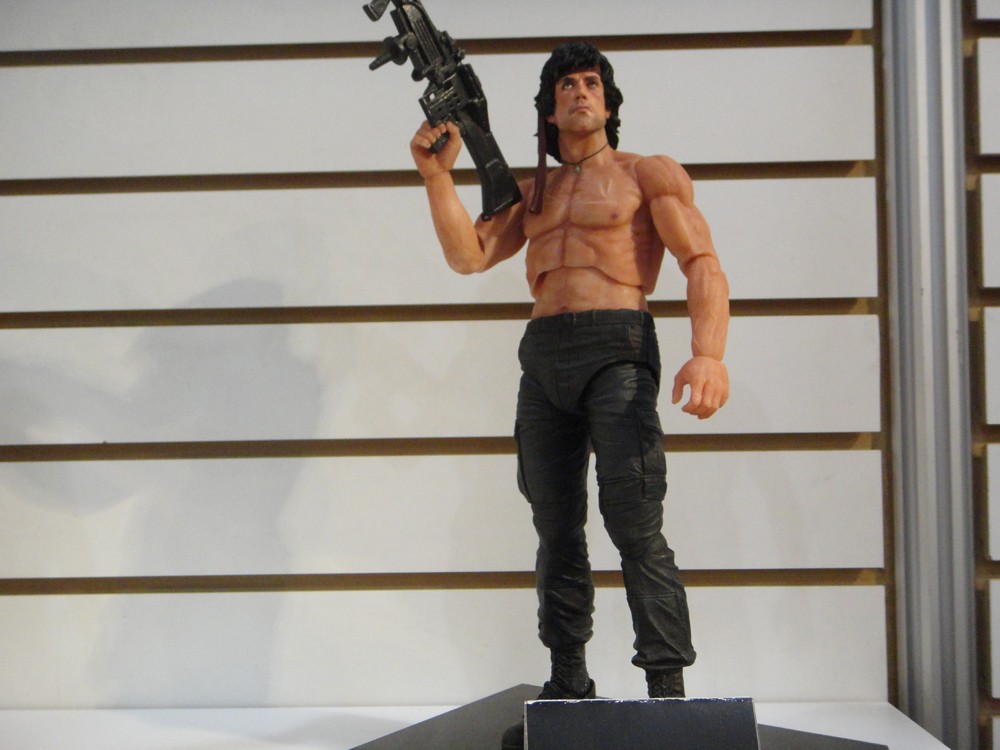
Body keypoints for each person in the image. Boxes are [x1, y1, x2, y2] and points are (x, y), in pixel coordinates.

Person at [409, 41, 729, 746]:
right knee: (555, 528)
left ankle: (668, 693)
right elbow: (468, 256)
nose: (580, 92)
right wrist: (437, 176)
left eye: (591, 83)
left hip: (619, 349)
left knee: (634, 522)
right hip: (544, 355)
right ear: (549, 111)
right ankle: (568, 681)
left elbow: (702, 261)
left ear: (608, 103)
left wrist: (708, 354)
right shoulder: (534, 193)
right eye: (566, 86)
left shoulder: (647, 173)